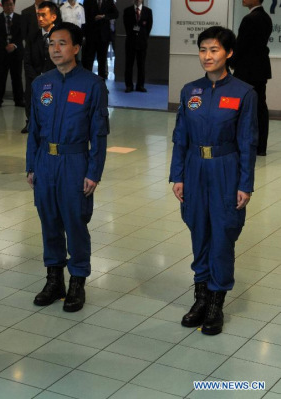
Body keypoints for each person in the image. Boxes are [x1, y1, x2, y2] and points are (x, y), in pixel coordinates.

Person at [169, 26, 258, 336]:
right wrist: (177, 175)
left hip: (225, 168)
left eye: (214, 50)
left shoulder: (243, 92)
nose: (207, 56)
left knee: (222, 236)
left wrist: (245, 183)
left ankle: (216, 302)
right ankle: (200, 297)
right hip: (194, 167)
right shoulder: (190, 91)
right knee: (199, 232)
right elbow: (180, 136)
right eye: (203, 50)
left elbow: (247, 142)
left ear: (228, 53)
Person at [26, 22, 109, 312]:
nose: (56, 49)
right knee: (48, 220)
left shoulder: (92, 85)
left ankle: (77, 280)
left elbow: (99, 133)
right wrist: (31, 166)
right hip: (45, 162)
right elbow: (34, 130)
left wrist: (93, 172)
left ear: (76, 47)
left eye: (62, 43)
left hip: (75, 161)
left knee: (75, 222)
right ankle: (53, 279)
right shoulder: (40, 84)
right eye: (52, 44)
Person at [231, 0, 272, 156]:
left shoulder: (250, 19)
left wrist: (232, 62)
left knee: (240, 106)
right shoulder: (266, 17)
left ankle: (241, 142)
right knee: (260, 107)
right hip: (260, 70)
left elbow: (241, 45)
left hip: (247, 70)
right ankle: (260, 146)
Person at [22, 1, 58, 134]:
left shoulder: (61, 35)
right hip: (35, 77)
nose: (40, 18)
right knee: (31, 98)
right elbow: (27, 61)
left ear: (53, 17)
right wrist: (37, 78)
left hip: (55, 78)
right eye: (38, 15)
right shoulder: (33, 36)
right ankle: (31, 122)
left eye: (43, 15)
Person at [0, 0, 25, 109]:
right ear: (3, 5)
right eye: (7, 4)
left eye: (11, 4)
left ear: (14, 5)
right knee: (0, 77)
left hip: (16, 52)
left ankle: (19, 100)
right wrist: (6, 45)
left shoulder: (20, 18)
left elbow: (22, 34)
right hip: (1, 52)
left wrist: (14, 45)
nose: (9, 6)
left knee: (17, 77)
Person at [83, 0, 118, 80]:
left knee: (102, 61)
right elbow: (84, 16)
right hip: (91, 35)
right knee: (89, 60)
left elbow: (116, 14)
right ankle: (87, 83)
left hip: (104, 36)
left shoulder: (108, 1)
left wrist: (104, 16)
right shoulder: (88, 1)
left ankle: (102, 85)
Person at [123, 0, 152, 92]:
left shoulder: (148, 11)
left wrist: (143, 36)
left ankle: (140, 85)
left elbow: (149, 27)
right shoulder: (127, 11)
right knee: (129, 65)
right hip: (130, 41)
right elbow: (126, 26)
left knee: (141, 65)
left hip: (142, 42)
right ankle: (129, 85)